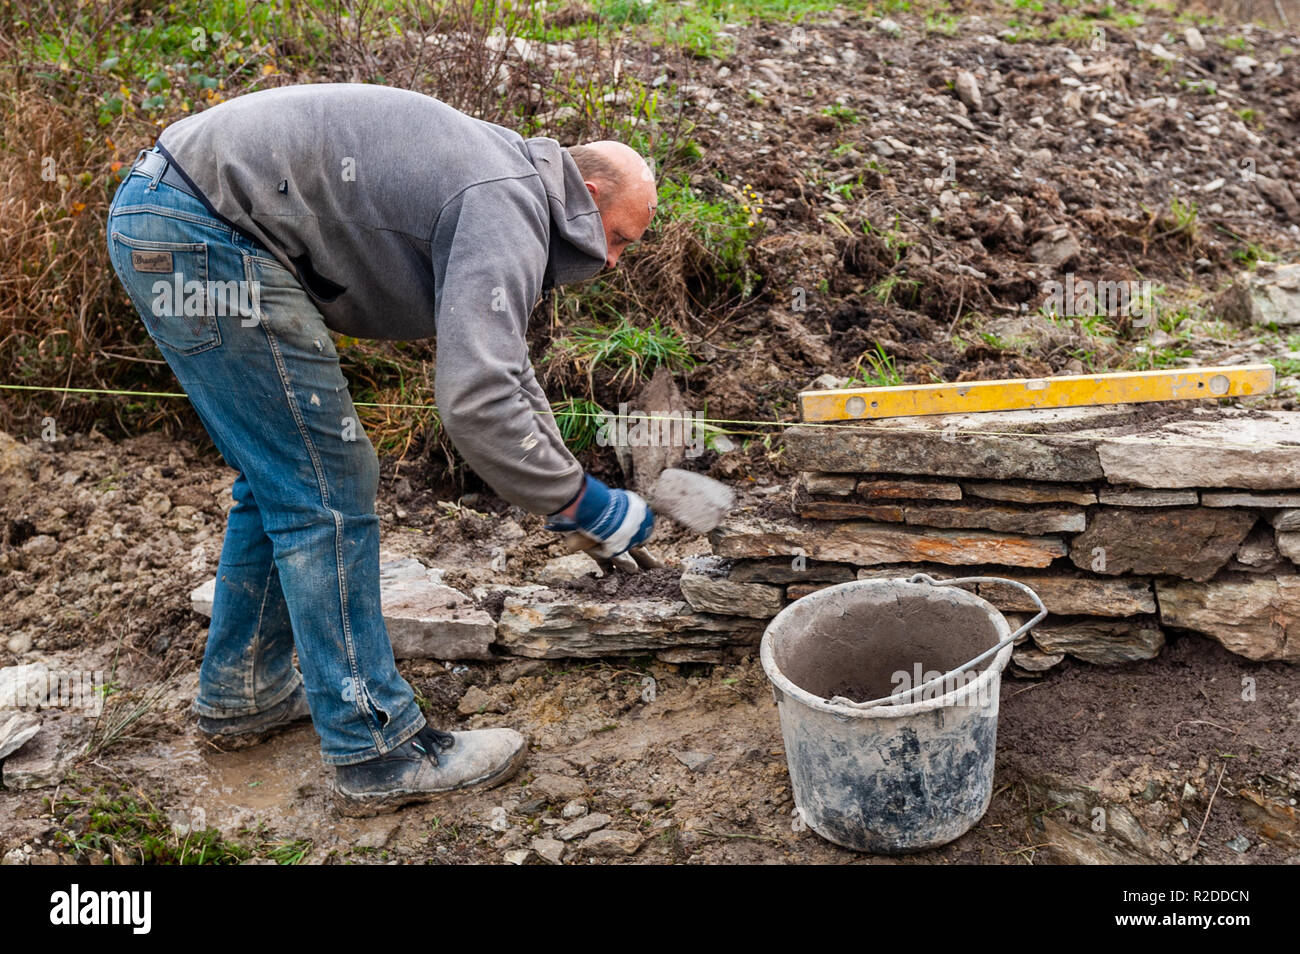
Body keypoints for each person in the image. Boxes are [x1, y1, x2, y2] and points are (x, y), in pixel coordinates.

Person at [105, 83, 658, 817]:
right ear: (586, 196)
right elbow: (475, 399)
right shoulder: (508, 200)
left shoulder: (509, 183)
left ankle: (244, 694)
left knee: (284, 477)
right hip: (204, 231)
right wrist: (587, 500)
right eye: (619, 238)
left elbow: (508, 373)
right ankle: (378, 749)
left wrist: (571, 504)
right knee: (326, 481)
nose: (614, 262)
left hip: (174, 211)